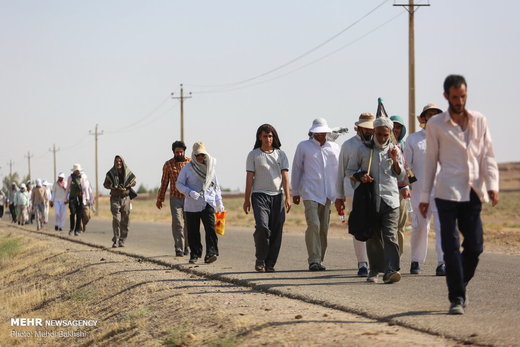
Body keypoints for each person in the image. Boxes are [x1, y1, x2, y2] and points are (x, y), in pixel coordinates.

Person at [419, 75, 499, 315]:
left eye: (463, 96)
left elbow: (488, 155)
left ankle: (460, 282)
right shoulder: (436, 125)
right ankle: (457, 297)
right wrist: (424, 197)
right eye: (455, 97)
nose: (459, 101)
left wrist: (493, 184)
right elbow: (431, 162)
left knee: (475, 246)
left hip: (474, 190)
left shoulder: (480, 121)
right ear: (447, 97)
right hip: (446, 192)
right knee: (451, 246)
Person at [347, 117, 406, 284]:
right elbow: (350, 170)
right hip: (371, 200)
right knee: (373, 236)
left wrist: (395, 160)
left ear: (390, 134)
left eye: (385, 135)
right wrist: (361, 176)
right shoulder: (363, 150)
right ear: (374, 132)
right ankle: (374, 270)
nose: (381, 138)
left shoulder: (395, 149)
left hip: (391, 200)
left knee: (390, 235)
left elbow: (401, 175)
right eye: (378, 134)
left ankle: (392, 270)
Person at [292, 118, 340, 271]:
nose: (320, 135)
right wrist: (295, 191)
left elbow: (340, 171)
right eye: (317, 133)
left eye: (323, 132)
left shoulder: (334, 147)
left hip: (328, 195)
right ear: (312, 132)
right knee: (314, 224)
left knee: (323, 229)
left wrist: (340, 194)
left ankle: (319, 259)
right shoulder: (303, 147)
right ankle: (313, 260)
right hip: (310, 192)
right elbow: (297, 169)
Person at [244, 124, 291, 273]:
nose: (268, 139)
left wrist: (287, 197)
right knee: (262, 227)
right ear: (259, 137)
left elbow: (285, 176)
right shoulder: (253, 155)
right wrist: (246, 199)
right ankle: (260, 258)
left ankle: (270, 263)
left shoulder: (281, 154)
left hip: (277, 196)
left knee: (277, 230)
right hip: (259, 195)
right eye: (265, 136)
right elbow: (249, 178)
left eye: (270, 136)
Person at [404, 103, 445, 276]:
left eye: (436, 114)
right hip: (420, 191)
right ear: (424, 117)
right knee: (420, 226)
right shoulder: (413, 139)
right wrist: (405, 185)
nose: (433, 116)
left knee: (443, 226)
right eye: (430, 114)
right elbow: (406, 166)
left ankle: (442, 262)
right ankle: (416, 260)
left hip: (442, 190)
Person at [335, 113, 374, 277]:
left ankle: (375, 261)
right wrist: (339, 196)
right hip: (353, 191)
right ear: (358, 128)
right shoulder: (348, 145)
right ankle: (362, 263)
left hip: (373, 191)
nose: (369, 131)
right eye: (366, 128)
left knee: (374, 226)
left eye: (371, 128)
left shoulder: (376, 144)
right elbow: (341, 171)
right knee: (359, 225)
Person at [176, 142, 224, 264]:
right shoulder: (187, 168)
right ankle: (195, 254)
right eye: (197, 155)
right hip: (192, 204)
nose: (200, 157)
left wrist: (219, 203)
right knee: (193, 231)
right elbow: (179, 184)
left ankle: (211, 253)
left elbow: (216, 187)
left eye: (202, 155)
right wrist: (189, 192)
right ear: (193, 155)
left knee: (210, 229)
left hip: (208, 202)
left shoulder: (210, 168)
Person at [156, 140, 191, 256]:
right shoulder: (168, 165)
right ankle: (179, 248)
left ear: (184, 152)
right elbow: (164, 182)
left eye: (181, 152)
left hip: (189, 198)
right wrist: (160, 198)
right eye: (177, 152)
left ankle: (187, 246)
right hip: (175, 198)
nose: (179, 154)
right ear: (173, 152)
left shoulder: (190, 163)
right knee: (177, 223)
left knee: (189, 223)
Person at [104, 155, 136, 248]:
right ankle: (116, 239)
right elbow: (105, 184)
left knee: (125, 219)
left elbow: (134, 181)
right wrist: (113, 186)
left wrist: (128, 184)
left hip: (126, 198)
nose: (118, 163)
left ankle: (122, 240)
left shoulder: (127, 172)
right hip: (115, 198)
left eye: (120, 161)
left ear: (122, 162)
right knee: (116, 218)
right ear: (114, 162)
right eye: (117, 161)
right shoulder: (110, 173)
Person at [389, 115, 411, 257]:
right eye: (393, 126)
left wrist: (407, 187)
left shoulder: (404, 146)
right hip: (385, 191)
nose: (395, 130)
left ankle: (398, 257)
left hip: (401, 189)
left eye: (398, 127)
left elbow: (408, 168)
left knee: (400, 226)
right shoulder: (382, 145)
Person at [65, 163, 89, 236]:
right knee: (72, 213)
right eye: (76, 170)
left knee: (79, 214)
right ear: (74, 171)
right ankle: (71, 229)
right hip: (72, 198)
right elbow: (67, 188)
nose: (77, 172)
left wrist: (87, 197)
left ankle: (77, 230)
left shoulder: (82, 178)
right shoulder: (70, 178)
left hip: (80, 197)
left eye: (78, 170)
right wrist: (66, 198)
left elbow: (85, 188)